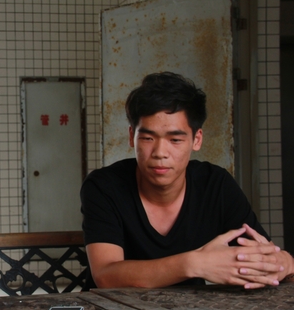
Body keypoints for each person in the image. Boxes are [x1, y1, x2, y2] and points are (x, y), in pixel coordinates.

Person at [80, 72, 294, 289]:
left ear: (196, 139)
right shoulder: (104, 186)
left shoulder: (215, 185)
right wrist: (194, 263)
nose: (160, 152)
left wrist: (284, 262)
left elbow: (267, 258)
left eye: (175, 140)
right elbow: (106, 276)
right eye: (147, 138)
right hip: (113, 308)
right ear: (131, 137)